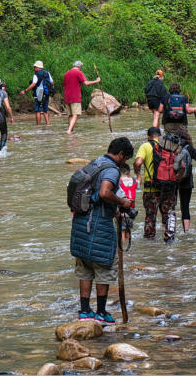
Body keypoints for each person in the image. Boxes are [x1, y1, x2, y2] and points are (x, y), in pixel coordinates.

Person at [70, 137, 134, 325]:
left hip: (81, 223)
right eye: (125, 158)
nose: (125, 163)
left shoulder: (95, 163)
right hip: (98, 227)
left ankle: (84, 311)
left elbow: (96, 196)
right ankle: (100, 313)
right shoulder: (112, 170)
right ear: (121, 154)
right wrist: (122, 202)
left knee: (85, 268)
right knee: (104, 266)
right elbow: (105, 193)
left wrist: (115, 210)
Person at [133, 127, 177, 243]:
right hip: (168, 187)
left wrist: (138, 175)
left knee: (150, 217)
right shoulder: (169, 144)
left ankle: (149, 243)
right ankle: (169, 239)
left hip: (151, 189)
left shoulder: (145, 146)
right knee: (168, 216)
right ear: (161, 135)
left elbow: (137, 163)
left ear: (148, 136)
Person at [172, 127, 196, 234]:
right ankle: (186, 232)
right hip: (186, 181)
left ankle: (170, 229)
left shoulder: (171, 147)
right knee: (185, 207)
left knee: (171, 207)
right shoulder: (189, 148)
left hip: (173, 180)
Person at [63, 60, 101, 134]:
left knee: (70, 114)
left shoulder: (67, 73)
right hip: (75, 96)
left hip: (67, 96)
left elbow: (64, 85)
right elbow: (86, 83)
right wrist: (96, 81)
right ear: (80, 67)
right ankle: (69, 130)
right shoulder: (78, 72)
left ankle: (70, 129)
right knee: (75, 114)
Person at [20, 60, 54, 126]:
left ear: (38, 67)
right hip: (46, 94)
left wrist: (25, 90)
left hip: (38, 95)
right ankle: (48, 124)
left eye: (35, 67)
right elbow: (52, 82)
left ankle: (38, 126)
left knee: (38, 111)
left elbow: (33, 84)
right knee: (45, 110)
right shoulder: (47, 73)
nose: (34, 68)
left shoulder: (36, 74)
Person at [117, 164, 138, 246]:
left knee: (121, 230)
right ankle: (129, 247)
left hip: (122, 209)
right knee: (128, 229)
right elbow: (138, 185)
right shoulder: (134, 181)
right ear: (129, 173)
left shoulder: (119, 181)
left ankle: (122, 248)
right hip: (132, 209)